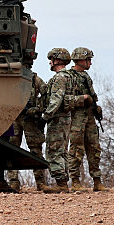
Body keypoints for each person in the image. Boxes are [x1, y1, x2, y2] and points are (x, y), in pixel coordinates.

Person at [41, 47, 84, 193]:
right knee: (62, 150)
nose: (50, 63)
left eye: (51, 60)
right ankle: (63, 182)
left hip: (57, 118)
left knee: (54, 150)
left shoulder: (60, 77)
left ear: (57, 60)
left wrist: (45, 116)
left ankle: (61, 183)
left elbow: (56, 100)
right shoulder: (71, 76)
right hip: (65, 117)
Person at [67, 47, 104, 191]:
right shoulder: (69, 77)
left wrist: (95, 106)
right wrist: (82, 99)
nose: (90, 63)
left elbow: (92, 97)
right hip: (76, 119)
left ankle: (97, 181)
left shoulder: (86, 77)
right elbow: (65, 100)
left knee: (94, 149)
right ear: (79, 60)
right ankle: (75, 181)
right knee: (76, 150)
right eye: (88, 59)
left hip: (89, 118)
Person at [19, 70, 49, 191]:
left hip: (30, 118)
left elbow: (47, 96)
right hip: (12, 118)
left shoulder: (35, 80)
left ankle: (40, 182)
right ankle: (13, 183)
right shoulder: (11, 78)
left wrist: (37, 109)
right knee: (11, 147)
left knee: (36, 149)